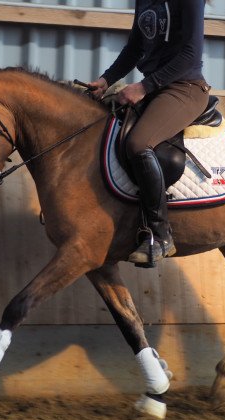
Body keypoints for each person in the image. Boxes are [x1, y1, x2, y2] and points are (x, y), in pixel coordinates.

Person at [89, 0, 210, 266]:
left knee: (139, 143)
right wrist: (106, 79)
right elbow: (134, 48)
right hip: (153, 88)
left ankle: (161, 234)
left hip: (184, 87)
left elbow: (190, 53)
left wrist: (143, 87)